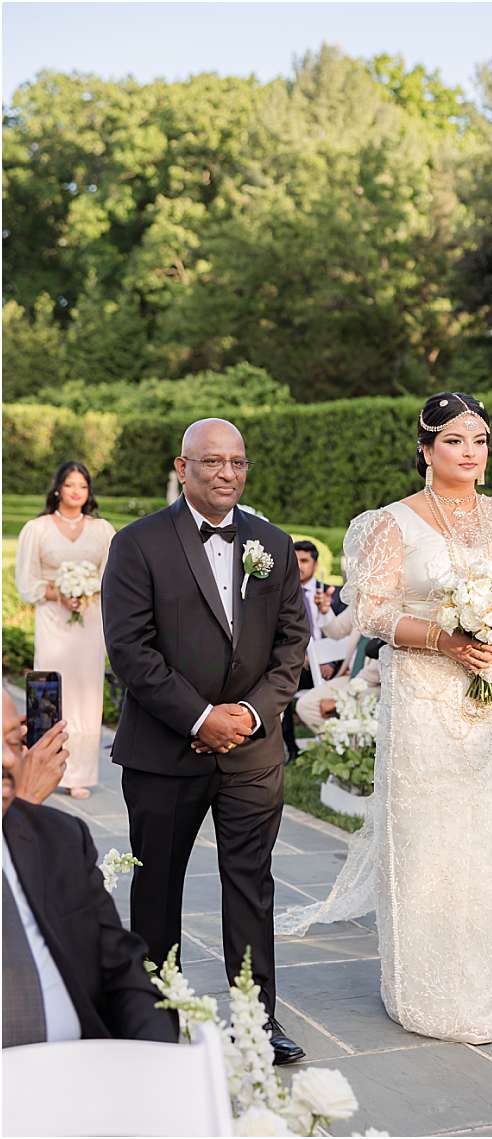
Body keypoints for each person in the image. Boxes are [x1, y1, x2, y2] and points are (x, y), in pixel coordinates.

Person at [277, 392, 492, 1045]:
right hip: (425, 701)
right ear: (427, 449)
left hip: (491, 698)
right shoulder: (391, 523)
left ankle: (482, 993)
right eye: (456, 440)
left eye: (480, 439)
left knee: (487, 845)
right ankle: (420, 991)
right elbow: (375, 612)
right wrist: (448, 640)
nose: (471, 452)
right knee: (427, 843)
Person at [102, 418, 310, 1065]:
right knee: (157, 888)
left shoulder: (271, 543)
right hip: (166, 751)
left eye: (238, 463)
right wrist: (199, 718)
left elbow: (291, 646)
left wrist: (249, 714)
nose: (227, 473)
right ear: (183, 465)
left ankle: (256, 1018)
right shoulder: (137, 544)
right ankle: (156, 1014)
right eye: (213, 461)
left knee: (251, 884)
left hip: (252, 752)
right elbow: (130, 651)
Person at [2, 694, 179, 1048]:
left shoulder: (60, 839)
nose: (8, 759)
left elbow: (122, 971)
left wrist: (158, 1062)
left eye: (13, 742)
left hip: (82, 1073)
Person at [14, 461, 116, 798]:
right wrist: (60, 593)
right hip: (52, 620)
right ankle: (44, 767)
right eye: (70, 484)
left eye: (82, 486)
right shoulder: (38, 529)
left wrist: (86, 592)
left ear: (88, 492)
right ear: (58, 488)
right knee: (52, 687)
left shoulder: (102, 530)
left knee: (87, 693)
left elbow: (112, 575)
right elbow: (27, 581)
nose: (76, 491)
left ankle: (79, 774)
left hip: (89, 621)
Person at [281, 540, 349, 763]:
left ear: (316, 563)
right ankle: (291, 750)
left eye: (304, 560)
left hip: (332, 667)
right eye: (295, 560)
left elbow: (346, 636)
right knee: (280, 687)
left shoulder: (334, 595)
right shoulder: (282, 596)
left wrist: (330, 663)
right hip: (297, 665)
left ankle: (336, 749)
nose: (299, 566)